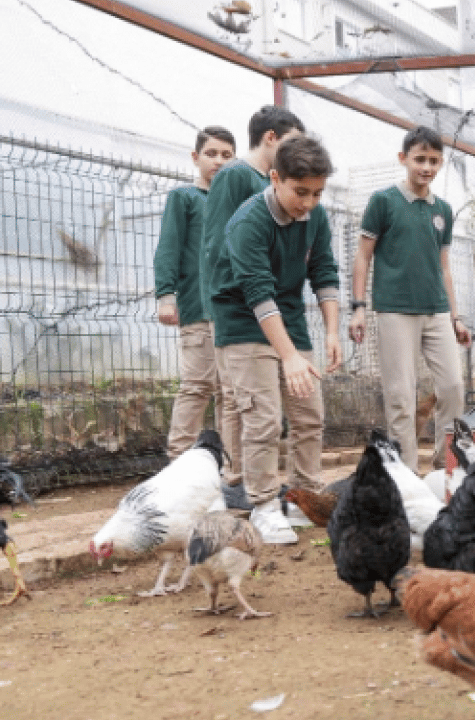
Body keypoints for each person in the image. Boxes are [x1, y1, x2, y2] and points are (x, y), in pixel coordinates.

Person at [208, 135, 341, 545]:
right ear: (275, 178)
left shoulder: (314, 217)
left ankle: (303, 500)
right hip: (243, 322)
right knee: (263, 419)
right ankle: (264, 505)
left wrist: (333, 331)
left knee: (309, 415)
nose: (308, 203)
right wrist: (289, 358)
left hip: (289, 319)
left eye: (317, 193)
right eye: (300, 192)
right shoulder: (248, 222)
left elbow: (324, 272)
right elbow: (258, 294)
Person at [349, 126, 470, 472]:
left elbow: (444, 267)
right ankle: (406, 475)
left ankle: (447, 465)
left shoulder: (443, 211)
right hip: (395, 311)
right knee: (401, 397)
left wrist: (456, 317)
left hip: (437, 311)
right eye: (420, 159)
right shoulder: (383, 201)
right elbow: (362, 256)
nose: (426, 167)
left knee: (452, 388)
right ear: (403, 159)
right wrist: (357, 308)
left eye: (433, 160)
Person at [200, 106, 306, 496]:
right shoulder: (235, 176)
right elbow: (217, 243)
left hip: (263, 309)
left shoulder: (269, 181)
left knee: (246, 401)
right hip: (237, 306)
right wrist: (225, 301)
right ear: (271, 139)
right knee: (236, 398)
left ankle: (246, 481)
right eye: (293, 142)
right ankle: (237, 481)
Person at [153, 126, 236, 459]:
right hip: (198, 308)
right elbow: (168, 248)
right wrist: (166, 297)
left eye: (227, 155)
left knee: (229, 393)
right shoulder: (184, 198)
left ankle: (229, 466)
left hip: (231, 314)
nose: (218, 161)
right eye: (211, 153)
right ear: (195, 157)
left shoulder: (236, 203)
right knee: (197, 386)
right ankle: (178, 460)